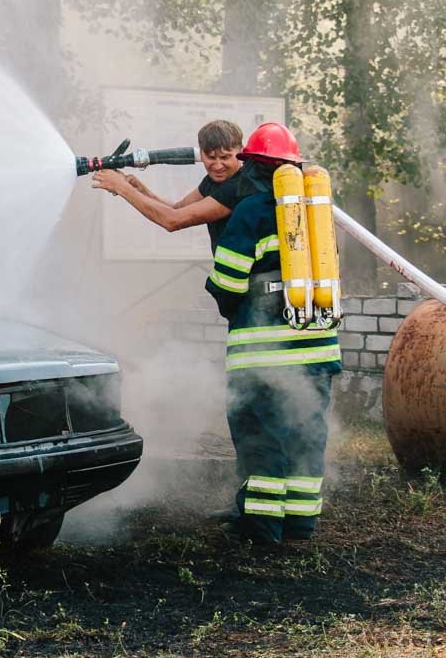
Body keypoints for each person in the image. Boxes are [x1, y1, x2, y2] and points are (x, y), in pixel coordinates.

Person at [203, 122, 341, 546]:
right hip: (318, 350)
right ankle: (300, 524)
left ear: (253, 165)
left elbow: (227, 281)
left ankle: (261, 529)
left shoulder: (251, 210)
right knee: (306, 435)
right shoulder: (316, 215)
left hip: (263, 356)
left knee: (261, 439)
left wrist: (233, 308)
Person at [90, 120, 244, 251]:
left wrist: (122, 188)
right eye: (210, 158)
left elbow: (172, 220)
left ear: (241, 151)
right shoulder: (213, 180)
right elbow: (178, 208)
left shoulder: (240, 185)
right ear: (201, 153)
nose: (218, 165)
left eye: (225, 157)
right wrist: (141, 191)